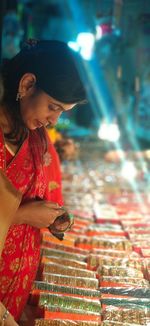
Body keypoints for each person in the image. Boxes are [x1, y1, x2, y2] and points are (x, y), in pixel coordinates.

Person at [0, 39, 86, 324]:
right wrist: (25, 215)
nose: (54, 121)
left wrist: (51, 217)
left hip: (15, 288)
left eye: (62, 111)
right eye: (53, 106)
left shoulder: (34, 136)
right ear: (26, 85)